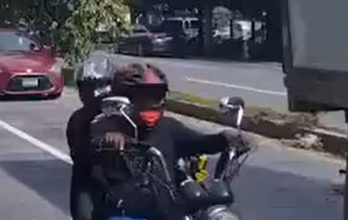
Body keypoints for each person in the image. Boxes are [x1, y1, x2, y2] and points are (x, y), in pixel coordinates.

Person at [88, 63, 249, 220]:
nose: (156, 102)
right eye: (147, 96)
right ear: (124, 98)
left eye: (159, 95)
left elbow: (199, 142)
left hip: (171, 211)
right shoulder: (105, 126)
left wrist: (226, 139)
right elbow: (92, 146)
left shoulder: (168, 127)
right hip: (126, 211)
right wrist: (111, 139)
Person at [66, 56, 115, 220]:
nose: (90, 93)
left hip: (125, 183)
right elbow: (78, 155)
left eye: (96, 86)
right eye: (85, 87)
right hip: (89, 180)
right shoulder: (77, 119)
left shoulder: (122, 114)